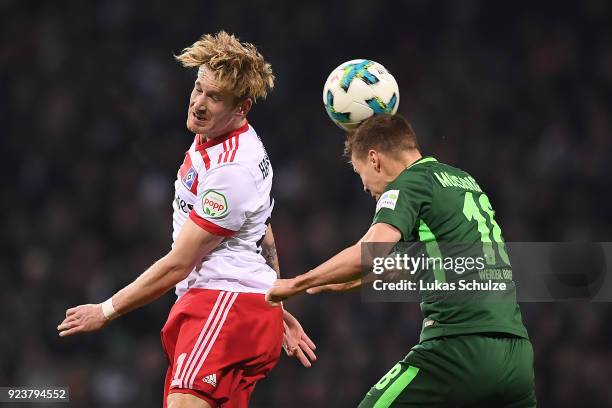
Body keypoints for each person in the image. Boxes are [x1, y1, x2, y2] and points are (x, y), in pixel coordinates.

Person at [57, 31, 316, 408]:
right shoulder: (220, 135)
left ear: (241, 108)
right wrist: (274, 300)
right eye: (199, 89)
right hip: (235, 307)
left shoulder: (233, 170)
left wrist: (105, 310)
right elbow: (263, 230)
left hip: (222, 305)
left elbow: (179, 264)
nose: (199, 103)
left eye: (214, 98)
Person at [266, 114, 536, 407]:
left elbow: (371, 249)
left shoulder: (409, 183)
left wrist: (297, 282)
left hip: (459, 347)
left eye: (359, 173)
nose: (365, 187)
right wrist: (348, 282)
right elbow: (423, 263)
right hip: (517, 356)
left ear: (374, 159)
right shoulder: (462, 180)